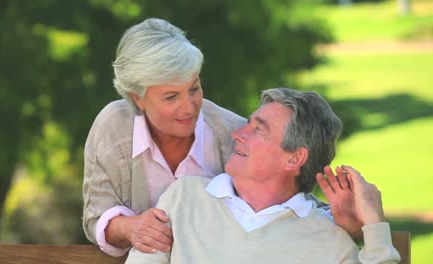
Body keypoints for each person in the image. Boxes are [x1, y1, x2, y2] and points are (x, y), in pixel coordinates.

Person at [83, 17, 361, 257]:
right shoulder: (114, 127)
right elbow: (96, 215)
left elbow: (288, 199)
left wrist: (351, 225)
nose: (189, 107)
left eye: (194, 88)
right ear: (138, 98)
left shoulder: (233, 135)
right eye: (171, 97)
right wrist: (131, 228)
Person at [125, 88, 401, 263]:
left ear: (294, 158)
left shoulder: (329, 238)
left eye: (259, 129)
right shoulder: (184, 197)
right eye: (248, 124)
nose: (237, 134)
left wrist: (373, 225)